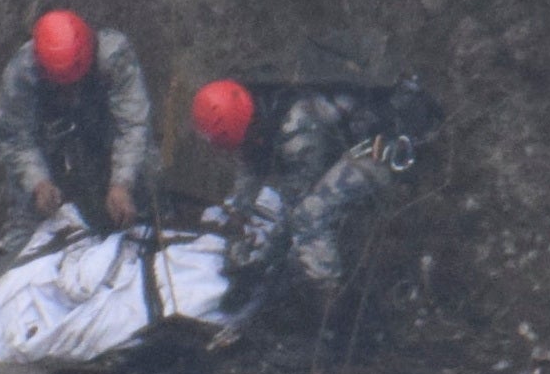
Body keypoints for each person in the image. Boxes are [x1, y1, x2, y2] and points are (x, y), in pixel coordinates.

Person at [188, 70, 440, 293]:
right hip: (347, 138)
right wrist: (237, 213)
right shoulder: (259, 104)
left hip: (388, 144)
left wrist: (262, 265)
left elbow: (295, 212)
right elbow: (251, 167)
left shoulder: (296, 130)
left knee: (310, 216)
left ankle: (331, 302)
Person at [0, 7, 154, 227]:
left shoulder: (114, 56)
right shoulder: (22, 74)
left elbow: (133, 125)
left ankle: (151, 216)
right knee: (27, 217)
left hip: (102, 136)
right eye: (64, 87)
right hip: (50, 147)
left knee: (142, 176)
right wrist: (38, 183)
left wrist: (122, 184)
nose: (71, 92)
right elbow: (16, 138)